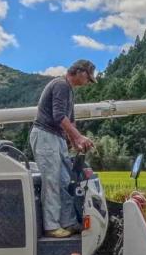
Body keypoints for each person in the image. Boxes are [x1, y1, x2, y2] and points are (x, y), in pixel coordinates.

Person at [30, 59, 97, 237]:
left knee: (64, 180)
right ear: (81, 72)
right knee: (52, 180)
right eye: (88, 79)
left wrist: (76, 143)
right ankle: (51, 227)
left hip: (56, 137)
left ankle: (68, 222)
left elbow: (70, 119)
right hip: (45, 135)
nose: (88, 83)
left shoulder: (69, 90)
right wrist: (78, 136)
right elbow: (59, 115)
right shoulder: (61, 85)